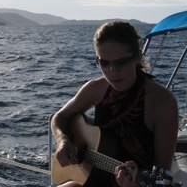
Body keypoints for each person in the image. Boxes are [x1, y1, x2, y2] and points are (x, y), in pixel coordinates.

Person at [51, 21, 178, 187]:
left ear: (137, 57)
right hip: (92, 179)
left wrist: (133, 183)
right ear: (97, 62)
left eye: (121, 63)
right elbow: (59, 117)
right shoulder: (95, 89)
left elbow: (163, 178)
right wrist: (63, 140)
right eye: (105, 63)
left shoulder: (162, 102)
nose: (112, 71)